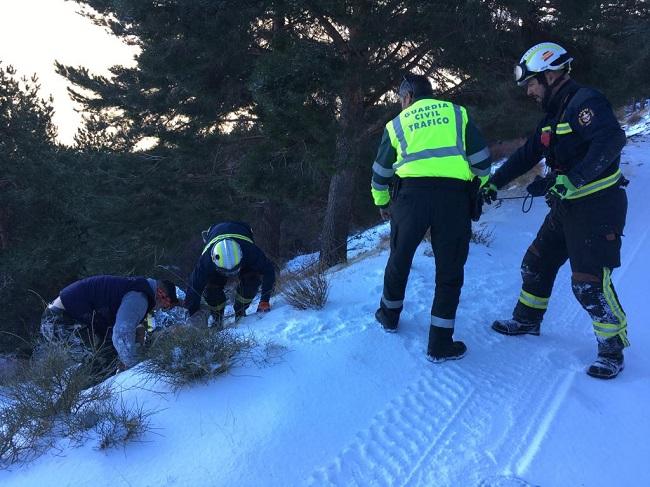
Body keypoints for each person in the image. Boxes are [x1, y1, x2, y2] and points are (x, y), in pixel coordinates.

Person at [481, 42, 629, 379]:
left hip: (598, 206)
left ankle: (611, 349)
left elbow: (612, 141)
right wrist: (494, 182)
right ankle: (527, 320)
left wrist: (574, 179)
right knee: (536, 263)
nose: (529, 91)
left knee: (588, 284)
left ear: (550, 74)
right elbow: (526, 154)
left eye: (532, 83)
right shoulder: (554, 116)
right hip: (567, 206)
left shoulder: (584, 103)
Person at [371, 73, 492, 362]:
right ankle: (439, 344)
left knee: (399, 259)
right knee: (449, 271)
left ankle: (388, 316)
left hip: (410, 199)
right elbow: (483, 163)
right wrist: (481, 187)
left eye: (402, 99)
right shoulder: (457, 114)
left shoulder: (397, 123)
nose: (402, 104)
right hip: (454, 200)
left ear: (408, 95)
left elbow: (380, 173)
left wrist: (383, 202)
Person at [40, 275, 178, 371]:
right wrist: (136, 368)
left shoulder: (135, 289)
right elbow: (122, 333)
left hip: (59, 317)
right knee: (102, 361)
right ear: (161, 295)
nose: (161, 309)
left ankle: (77, 400)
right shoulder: (139, 297)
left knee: (106, 357)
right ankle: (71, 405)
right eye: (166, 305)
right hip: (59, 321)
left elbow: (128, 330)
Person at [184, 221, 276, 328]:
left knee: (252, 281)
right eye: (225, 272)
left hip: (241, 231)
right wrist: (192, 312)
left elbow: (269, 271)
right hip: (215, 232)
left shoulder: (250, 251)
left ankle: (240, 310)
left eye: (234, 270)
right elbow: (194, 288)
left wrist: (264, 300)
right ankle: (217, 318)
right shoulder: (206, 261)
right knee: (211, 290)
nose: (230, 275)